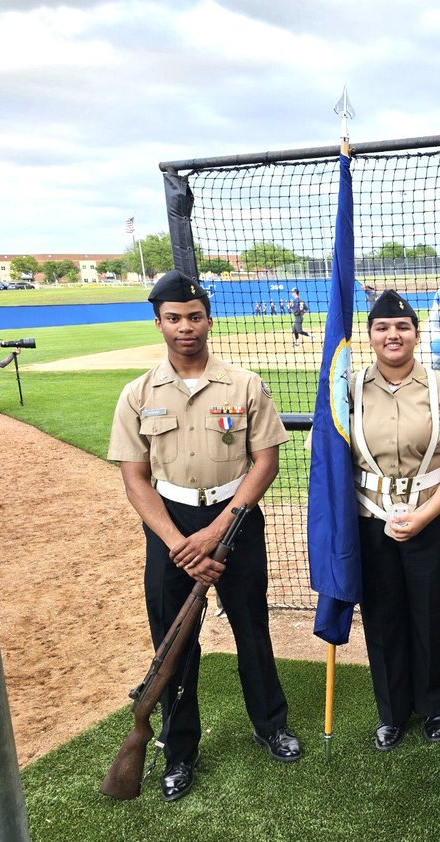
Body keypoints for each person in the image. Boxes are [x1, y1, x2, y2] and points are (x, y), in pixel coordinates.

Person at [107, 271, 302, 803]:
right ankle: (179, 751)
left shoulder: (245, 385)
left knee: (252, 630)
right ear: (159, 324)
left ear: (209, 321)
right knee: (174, 644)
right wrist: (179, 544)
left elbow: (265, 462)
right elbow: (134, 478)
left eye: (194, 317)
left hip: (234, 519)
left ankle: (271, 725)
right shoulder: (137, 393)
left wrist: (217, 530)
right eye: (173, 318)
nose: (185, 327)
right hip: (169, 524)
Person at [351, 290, 440, 751]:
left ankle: (433, 704)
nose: (393, 335)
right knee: (381, 617)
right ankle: (392, 712)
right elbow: (330, 457)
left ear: (416, 334)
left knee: (428, 614)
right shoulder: (348, 390)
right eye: (383, 327)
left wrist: (426, 513)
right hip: (371, 520)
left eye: (402, 327)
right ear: (370, 335)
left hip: (433, 518)